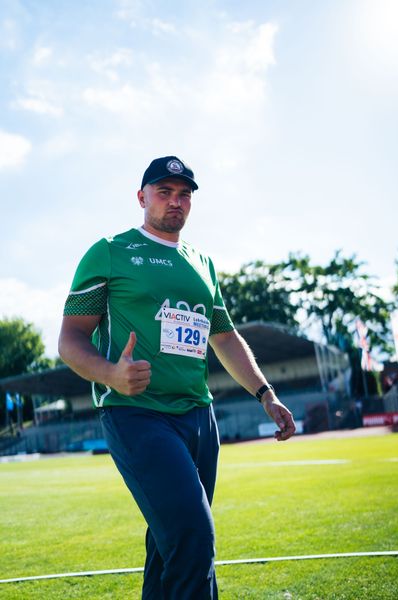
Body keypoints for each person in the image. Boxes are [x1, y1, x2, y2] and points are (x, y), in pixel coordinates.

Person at [58, 155, 296, 600]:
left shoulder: (202, 263)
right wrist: (111, 373)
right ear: (141, 197)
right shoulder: (110, 250)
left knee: (169, 544)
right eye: (164, 192)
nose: (175, 202)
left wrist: (266, 393)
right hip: (137, 414)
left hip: (199, 419)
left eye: (184, 194)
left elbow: (224, 338)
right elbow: (70, 339)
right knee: (193, 537)